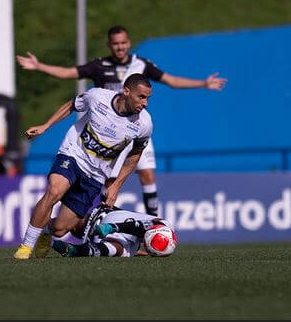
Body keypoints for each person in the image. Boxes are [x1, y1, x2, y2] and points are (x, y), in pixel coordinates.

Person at [16, 25, 227, 216]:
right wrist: (40, 66)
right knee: (104, 183)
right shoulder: (100, 66)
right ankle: (85, 222)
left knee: (147, 175)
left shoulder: (141, 65)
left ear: (129, 43)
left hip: (132, 130)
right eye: (116, 44)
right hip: (103, 135)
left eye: (123, 43)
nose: (120, 47)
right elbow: (69, 72)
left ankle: (152, 224)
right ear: (110, 45)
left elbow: (171, 80)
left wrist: (203, 83)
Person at [13, 73, 153, 260]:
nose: (145, 103)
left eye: (147, 98)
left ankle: (46, 231)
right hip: (73, 154)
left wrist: (116, 185)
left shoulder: (144, 123)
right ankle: (26, 248)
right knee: (54, 191)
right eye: (141, 97)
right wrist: (45, 126)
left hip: (96, 174)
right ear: (126, 91)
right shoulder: (97, 97)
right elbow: (72, 105)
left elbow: (135, 154)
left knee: (61, 228)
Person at [51, 204, 176, 258]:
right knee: (120, 250)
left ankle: (74, 249)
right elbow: (138, 227)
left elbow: (138, 230)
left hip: (108, 221)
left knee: (121, 251)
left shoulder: (165, 228)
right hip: (109, 221)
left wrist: (143, 253)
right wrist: (113, 228)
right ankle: (77, 250)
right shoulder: (163, 225)